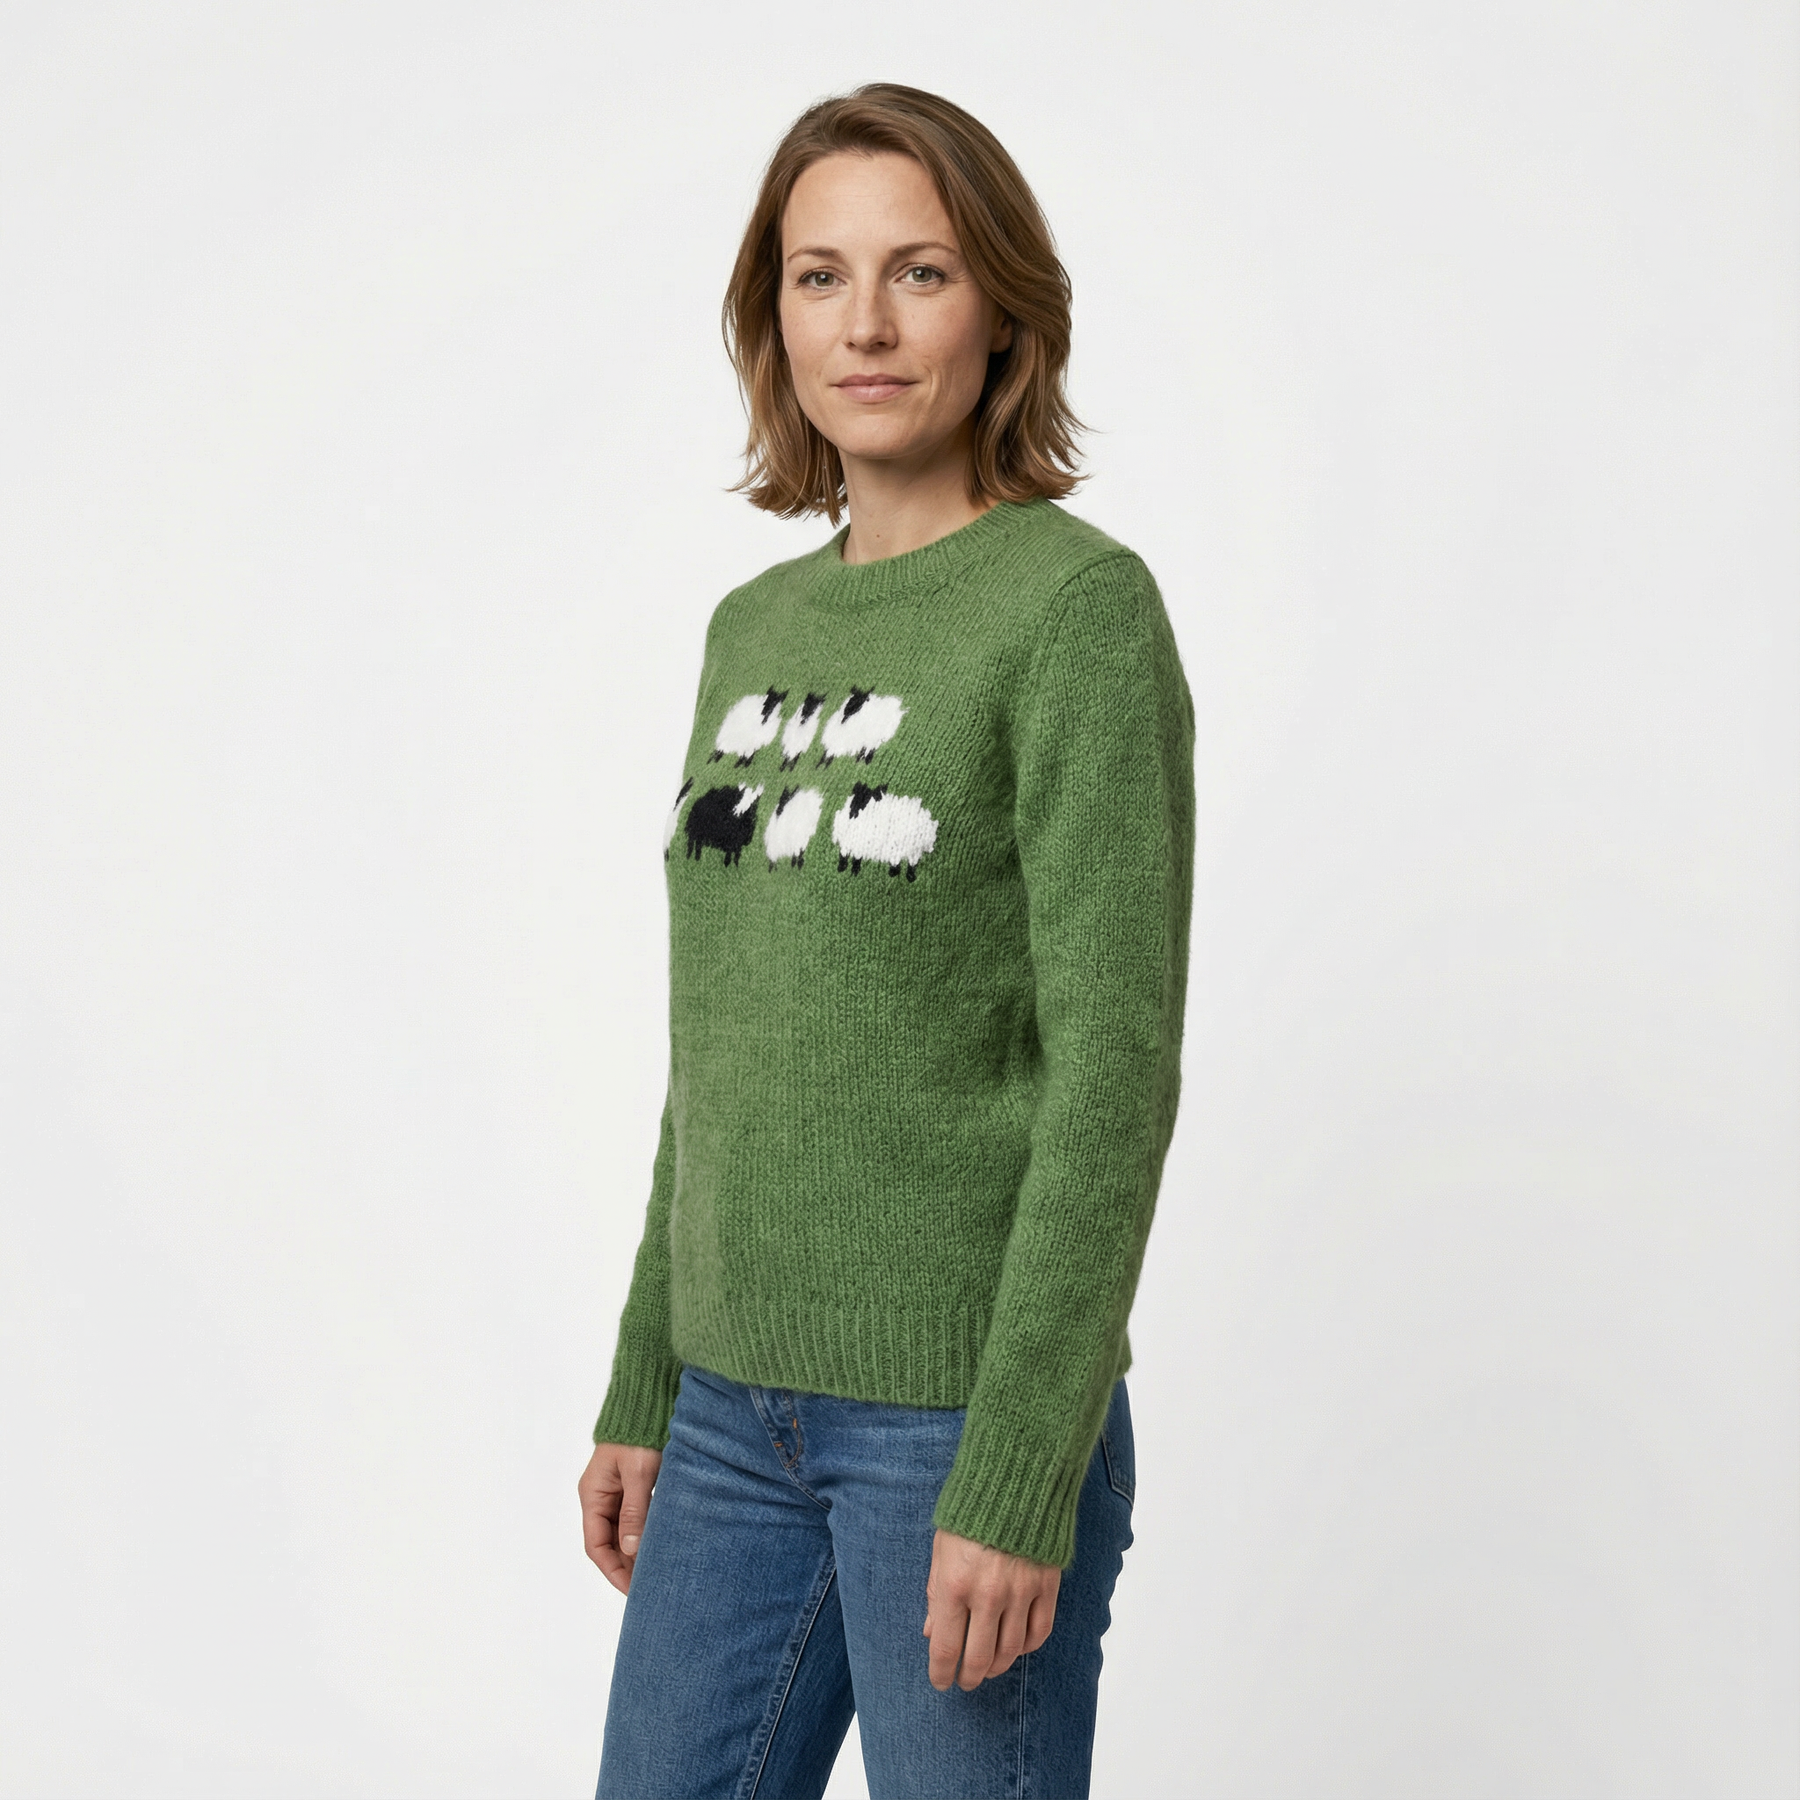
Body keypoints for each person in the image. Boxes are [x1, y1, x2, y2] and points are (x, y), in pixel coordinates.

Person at [579, 82, 1195, 1800]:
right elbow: (719, 1047)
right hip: (727, 1418)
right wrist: (645, 1379)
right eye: (818, 275)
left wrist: (1018, 1468)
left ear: (1001, 310)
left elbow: (1114, 1072)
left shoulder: (1073, 613)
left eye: (919, 272)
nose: (864, 324)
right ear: (771, 316)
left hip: (954, 1422)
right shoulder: (752, 627)